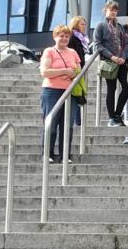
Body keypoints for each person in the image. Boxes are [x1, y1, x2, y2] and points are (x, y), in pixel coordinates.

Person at [40, 25, 81, 163]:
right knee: (51, 123)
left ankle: (65, 155)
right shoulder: (49, 51)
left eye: (66, 36)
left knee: (67, 125)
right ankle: (48, 154)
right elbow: (45, 72)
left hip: (70, 92)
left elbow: (79, 72)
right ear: (55, 36)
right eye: (61, 36)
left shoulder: (73, 52)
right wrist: (65, 71)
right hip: (52, 91)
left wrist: (74, 75)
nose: (64, 38)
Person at [94, 0, 128, 127]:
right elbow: (97, 45)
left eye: (115, 10)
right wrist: (112, 57)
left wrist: (123, 57)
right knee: (111, 89)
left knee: (127, 87)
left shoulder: (119, 26)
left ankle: (117, 114)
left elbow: (125, 44)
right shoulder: (100, 26)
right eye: (111, 9)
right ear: (105, 10)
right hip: (109, 62)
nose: (113, 12)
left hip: (121, 62)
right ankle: (111, 118)